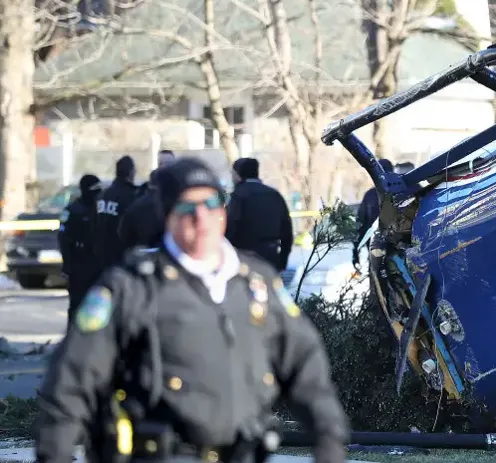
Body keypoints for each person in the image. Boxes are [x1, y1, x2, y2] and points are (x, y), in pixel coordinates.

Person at [34, 157, 349, 463]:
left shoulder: (256, 283)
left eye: (212, 204)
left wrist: (329, 441)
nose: (202, 218)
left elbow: (306, 366)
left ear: (224, 211)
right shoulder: (131, 287)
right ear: (167, 216)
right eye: (187, 208)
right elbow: (70, 383)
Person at [225, 158, 293, 272]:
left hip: (244, 258)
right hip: (271, 256)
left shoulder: (238, 196)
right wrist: (282, 261)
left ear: (237, 174)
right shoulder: (274, 195)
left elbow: (231, 227)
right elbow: (287, 231)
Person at [57, 174, 103, 319]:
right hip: (79, 262)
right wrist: (67, 265)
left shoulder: (101, 208)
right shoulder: (72, 210)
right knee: (77, 303)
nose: (98, 193)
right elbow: (63, 239)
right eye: (95, 189)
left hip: (97, 262)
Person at [94, 156, 140, 270]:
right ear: (131, 172)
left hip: (101, 253)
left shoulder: (103, 195)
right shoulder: (131, 195)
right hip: (122, 254)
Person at [352, 158, 393, 269]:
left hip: (379, 252)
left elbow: (360, 224)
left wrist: (355, 251)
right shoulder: (370, 196)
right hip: (381, 251)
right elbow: (361, 224)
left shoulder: (370, 196)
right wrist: (355, 250)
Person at [118, 169, 165, 250]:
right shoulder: (169, 206)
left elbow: (123, 233)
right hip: (162, 255)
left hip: (139, 253)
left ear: (149, 184)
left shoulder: (135, 205)